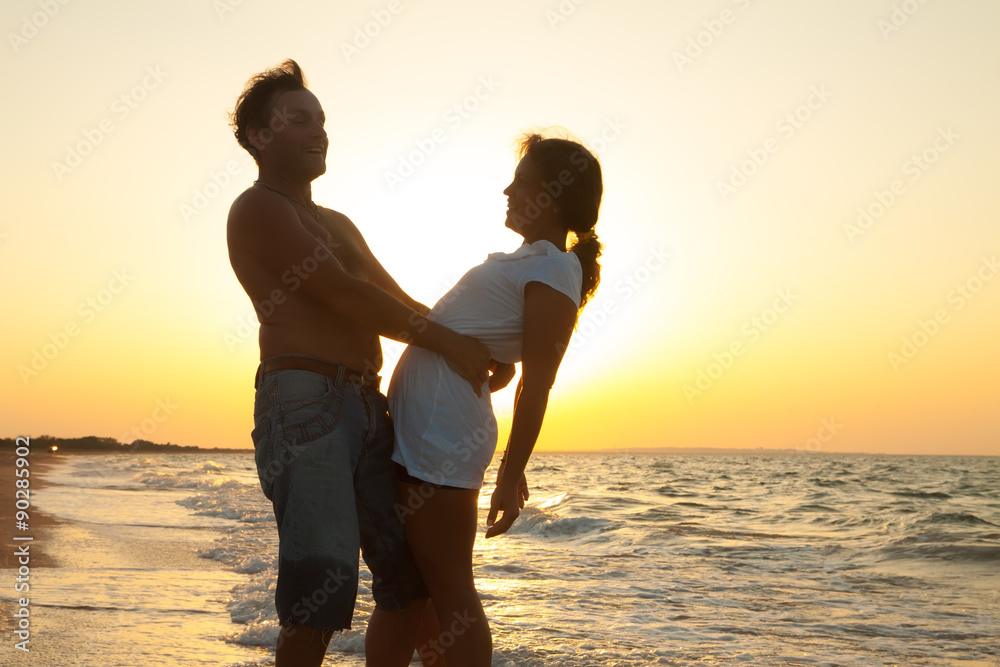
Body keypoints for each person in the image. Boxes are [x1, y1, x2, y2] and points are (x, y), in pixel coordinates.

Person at [225, 59, 493, 667]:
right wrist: (451, 345)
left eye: (321, 119)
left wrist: (472, 350)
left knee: (409, 577)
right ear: (259, 139)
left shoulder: (338, 221)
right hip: (305, 400)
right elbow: (344, 295)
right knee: (319, 588)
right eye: (298, 120)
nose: (318, 130)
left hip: (371, 405)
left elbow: (395, 301)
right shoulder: (257, 208)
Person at [388, 132, 604, 666]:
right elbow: (507, 351)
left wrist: (512, 472)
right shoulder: (531, 262)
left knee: (449, 589)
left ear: (552, 195)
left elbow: (540, 381)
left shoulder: (554, 268)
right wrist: (497, 358)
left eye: (522, 180)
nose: (507, 190)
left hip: (442, 436)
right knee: (422, 588)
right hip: (431, 429)